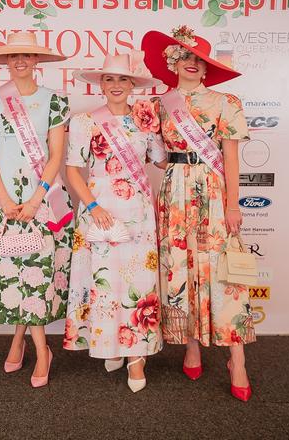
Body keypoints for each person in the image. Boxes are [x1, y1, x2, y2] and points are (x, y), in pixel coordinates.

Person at [141, 26, 255, 401]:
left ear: (208, 69)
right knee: (181, 269)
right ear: (173, 62)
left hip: (213, 189)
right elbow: (154, 155)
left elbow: (232, 158)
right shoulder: (159, 105)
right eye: (185, 57)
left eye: (199, 60)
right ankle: (191, 343)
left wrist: (234, 203)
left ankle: (236, 358)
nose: (191, 64)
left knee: (223, 274)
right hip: (174, 191)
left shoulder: (226, 102)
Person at [0, 32, 73, 388]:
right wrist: (5, 199)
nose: (20, 61)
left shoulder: (54, 100)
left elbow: (55, 155)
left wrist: (37, 197)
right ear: (6, 62)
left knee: (35, 272)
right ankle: (29, 343)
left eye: (26, 55)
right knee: (11, 266)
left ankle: (35, 347)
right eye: (13, 56)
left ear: (36, 60)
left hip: (41, 196)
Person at [62, 52, 166, 392]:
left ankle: (136, 356)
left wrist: (156, 122)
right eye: (109, 79)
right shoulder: (83, 121)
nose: (116, 85)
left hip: (136, 213)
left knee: (137, 283)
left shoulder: (144, 121)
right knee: (104, 284)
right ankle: (110, 344)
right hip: (98, 210)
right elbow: (73, 171)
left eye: (123, 79)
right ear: (101, 85)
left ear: (132, 84)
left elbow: (161, 161)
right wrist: (92, 206)